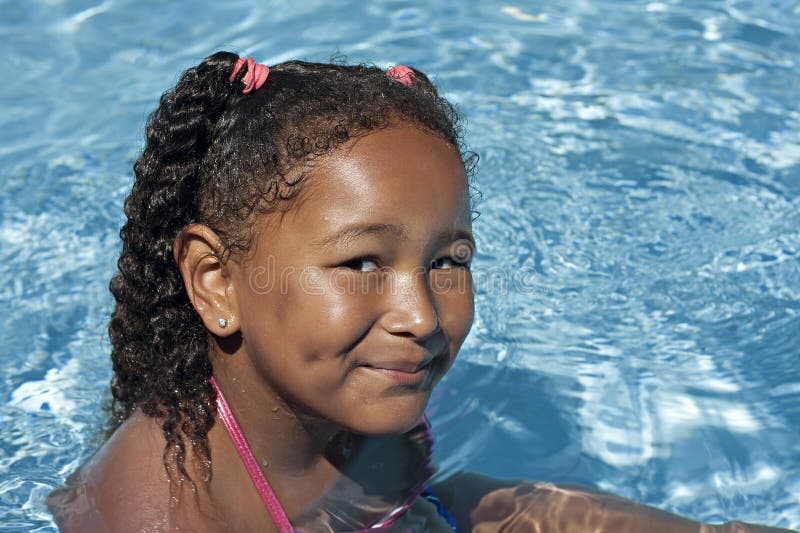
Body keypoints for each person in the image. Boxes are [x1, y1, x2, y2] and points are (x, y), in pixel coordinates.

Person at [47, 51, 796, 533]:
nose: (421, 314)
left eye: (449, 258)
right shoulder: (156, 512)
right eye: (362, 262)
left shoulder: (345, 393)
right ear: (216, 280)